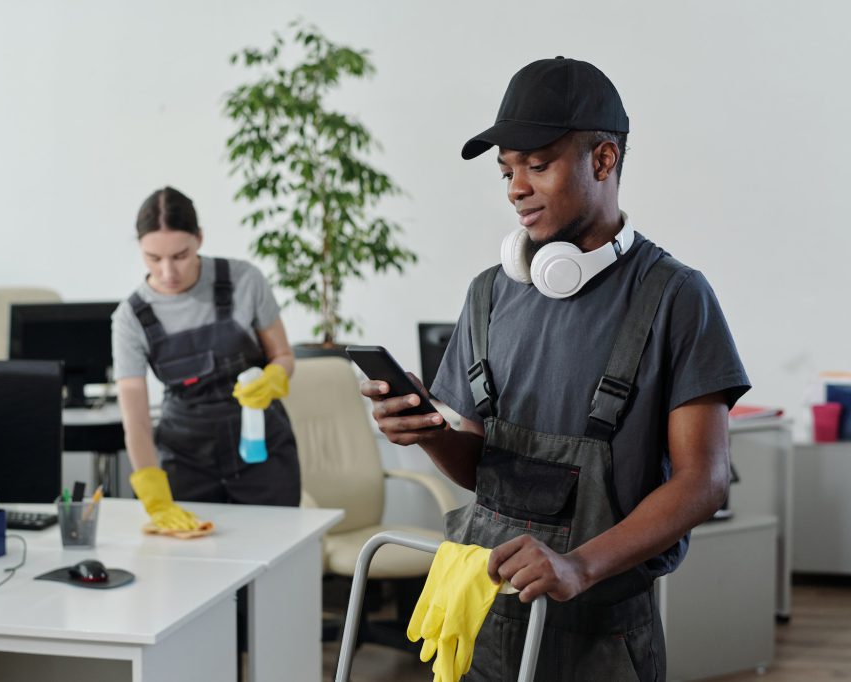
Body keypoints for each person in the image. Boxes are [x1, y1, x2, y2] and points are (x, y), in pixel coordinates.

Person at [363, 57, 750, 680]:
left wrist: (579, 565)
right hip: (486, 621)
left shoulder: (676, 297)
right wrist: (429, 431)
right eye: (507, 170)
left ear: (603, 160)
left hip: (603, 637)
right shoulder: (489, 294)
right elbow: (486, 472)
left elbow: (704, 480)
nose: (516, 187)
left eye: (537, 165)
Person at [112, 186, 301, 534]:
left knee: (275, 554)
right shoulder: (130, 318)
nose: (168, 271)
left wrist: (274, 377)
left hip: (261, 451)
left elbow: (283, 356)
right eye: (153, 258)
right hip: (187, 458)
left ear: (199, 238)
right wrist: (155, 497)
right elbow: (136, 420)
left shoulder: (244, 280)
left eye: (180, 255)